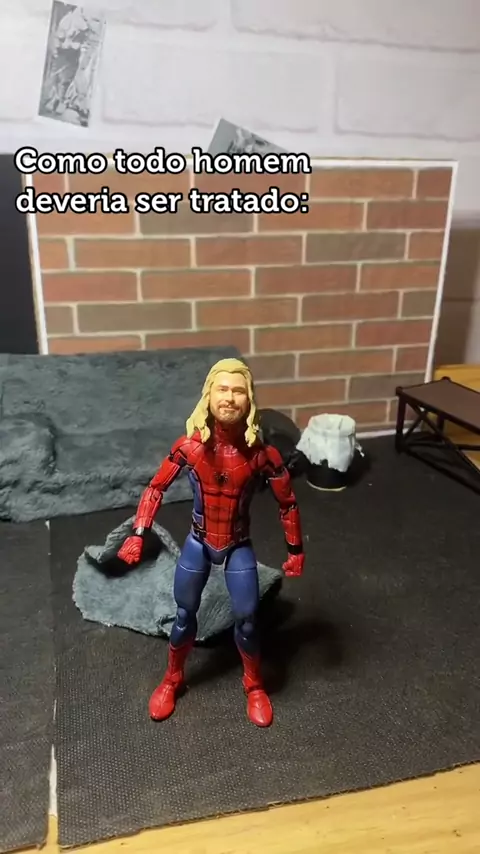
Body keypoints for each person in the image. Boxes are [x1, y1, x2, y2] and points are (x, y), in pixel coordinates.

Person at [118, 358, 305, 727]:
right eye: (222, 389)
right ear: (208, 395)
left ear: (250, 399)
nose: (230, 398)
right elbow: (155, 488)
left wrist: (296, 550)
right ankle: (173, 678)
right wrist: (138, 533)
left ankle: (254, 684)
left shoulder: (262, 455)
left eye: (238, 391)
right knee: (184, 613)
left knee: (247, 619)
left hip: (237, 544)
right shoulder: (189, 448)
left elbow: (288, 503)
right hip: (199, 541)